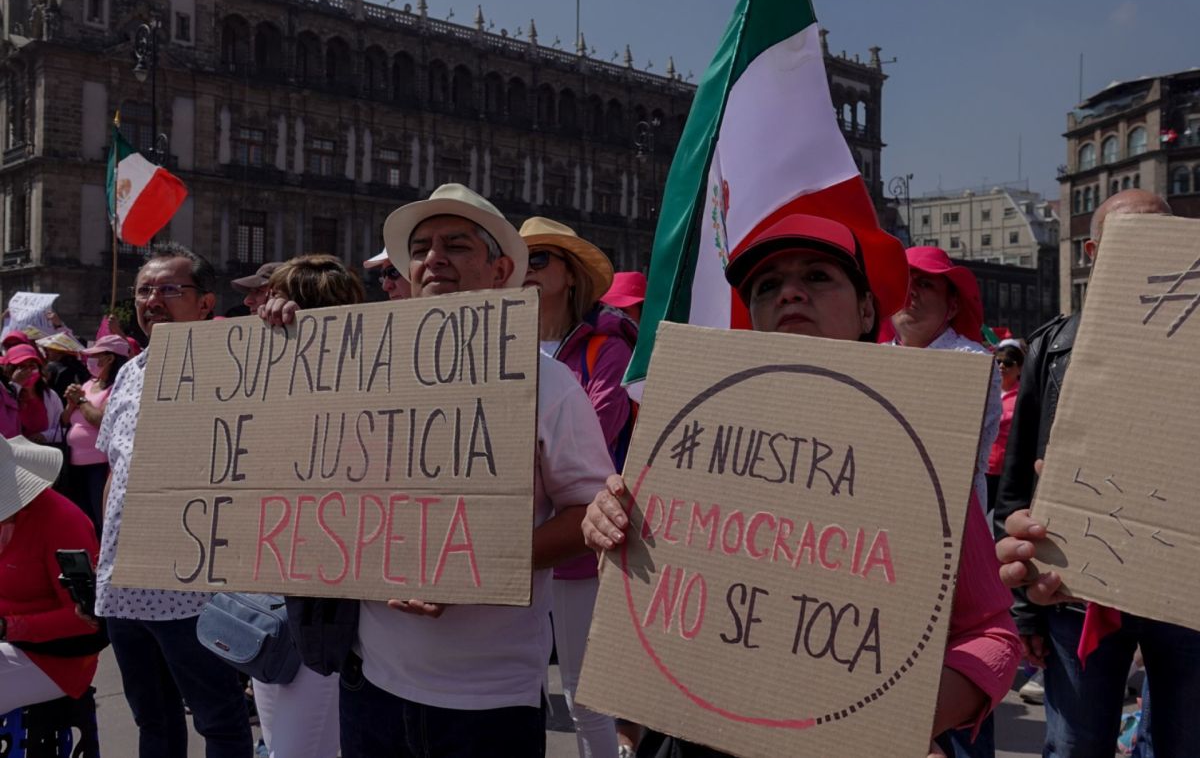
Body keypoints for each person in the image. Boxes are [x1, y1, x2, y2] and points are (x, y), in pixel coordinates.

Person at [584, 214, 1021, 758]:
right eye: (767, 286)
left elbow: (994, 636)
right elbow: (651, 606)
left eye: (817, 276)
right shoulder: (695, 439)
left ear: (867, 311)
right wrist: (612, 523)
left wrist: (888, 718)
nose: (790, 291)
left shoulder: (918, 453)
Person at [297, 183, 613, 758]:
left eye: (456, 245)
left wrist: (473, 568)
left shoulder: (550, 384)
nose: (432, 257)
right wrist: (281, 341)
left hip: (488, 700)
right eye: (419, 247)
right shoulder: (358, 368)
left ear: (498, 271)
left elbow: (589, 514)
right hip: (369, 680)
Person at [994, 189, 1198, 758]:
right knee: (1075, 745)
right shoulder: (1051, 347)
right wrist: (1026, 608)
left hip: (1184, 599)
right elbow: (1015, 489)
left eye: (1161, 235)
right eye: (1131, 239)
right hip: (1075, 592)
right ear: (1093, 251)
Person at [94, 242, 253, 758]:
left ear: (206, 303)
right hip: (124, 585)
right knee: (153, 720)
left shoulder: (242, 360)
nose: (152, 300)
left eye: (169, 289)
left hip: (195, 587)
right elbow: (114, 471)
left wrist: (280, 316)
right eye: (144, 290)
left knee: (219, 720)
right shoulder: (129, 372)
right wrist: (103, 557)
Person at [520, 216, 633, 758]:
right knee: (523, 693)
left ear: (569, 275)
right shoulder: (499, 341)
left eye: (539, 260)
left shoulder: (605, 348)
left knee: (584, 698)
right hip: (507, 547)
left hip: (575, 550)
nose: (526, 271)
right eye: (518, 261)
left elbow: (598, 428)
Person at [249, 254, 363, 758]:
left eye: (270, 295)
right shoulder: (256, 369)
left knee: (299, 747)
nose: (258, 305)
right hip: (268, 591)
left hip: (326, 603)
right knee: (279, 741)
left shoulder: (369, 382)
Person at [886, 246, 999, 515]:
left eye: (924, 283)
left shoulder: (971, 361)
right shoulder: (874, 358)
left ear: (953, 306)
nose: (910, 291)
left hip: (950, 511)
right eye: (904, 282)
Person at [0, 434, 102, 713]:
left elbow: (86, 620)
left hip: (56, 660)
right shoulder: (8, 521)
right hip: (13, 646)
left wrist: (8, 626)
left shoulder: (62, 522)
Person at [58, 334, 129, 535]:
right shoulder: (89, 384)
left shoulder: (118, 388)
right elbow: (64, 420)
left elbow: (101, 420)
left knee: (99, 516)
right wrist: (71, 403)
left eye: (96, 355)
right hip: (74, 464)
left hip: (99, 465)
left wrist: (81, 401)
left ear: (110, 358)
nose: (91, 360)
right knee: (80, 515)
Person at [985, 340, 1023, 513]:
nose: (1001, 366)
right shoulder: (987, 389)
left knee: (1002, 519)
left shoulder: (1023, 396)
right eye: (998, 361)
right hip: (983, 466)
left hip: (1006, 470)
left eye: (1008, 363)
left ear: (1020, 369)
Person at [2, 343, 64, 445]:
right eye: (21, 367)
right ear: (10, 371)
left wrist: (44, 436)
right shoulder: (4, 395)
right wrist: (16, 385)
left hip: (42, 454)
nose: (28, 371)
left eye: (32, 366)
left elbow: (61, 429)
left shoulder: (50, 396)